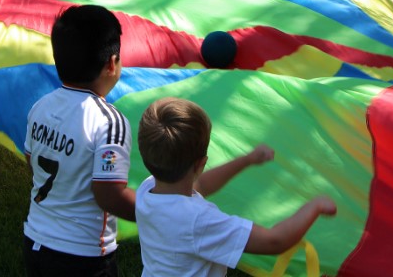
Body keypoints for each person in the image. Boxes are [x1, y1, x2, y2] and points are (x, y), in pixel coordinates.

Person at [135, 97, 337, 276]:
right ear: (201, 164)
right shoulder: (199, 221)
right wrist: (316, 205)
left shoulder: (147, 189)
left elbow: (201, 184)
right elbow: (274, 241)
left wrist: (247, 160)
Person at [23, 5, 136, 276]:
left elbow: (31, 160)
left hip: (34, 241)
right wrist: (160, 211)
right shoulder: (110, 122)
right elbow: (109, 196)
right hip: (83, 256)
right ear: (112, 63)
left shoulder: (40, 106)